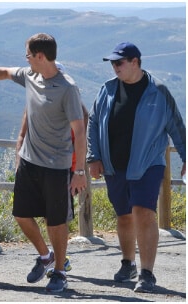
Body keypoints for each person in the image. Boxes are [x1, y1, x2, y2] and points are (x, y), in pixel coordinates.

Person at [0, 33, 87, 293]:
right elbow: (5, 72)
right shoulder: (31, 76)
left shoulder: (68, 88)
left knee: (56, 221)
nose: (25, 59)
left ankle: (60, 273)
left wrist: (79, 171)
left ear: (40, 56)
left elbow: (80, 130)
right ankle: (45, 256)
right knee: (21, 214)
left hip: (57, 166)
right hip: (30, 162)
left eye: (28, 55)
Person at [87, 42, 186, 293]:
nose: (115, 67)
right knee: (123, 216)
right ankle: (127, 263)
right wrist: (93, 157)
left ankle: (147, 273)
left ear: (135, 62)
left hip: (148, 163)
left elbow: (176, 125)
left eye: (119, 62)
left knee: (143, 212)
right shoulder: (107, 89)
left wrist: (186, 157)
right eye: (112, 63)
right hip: (114, 164)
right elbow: (94, 122)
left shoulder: (158, 91)